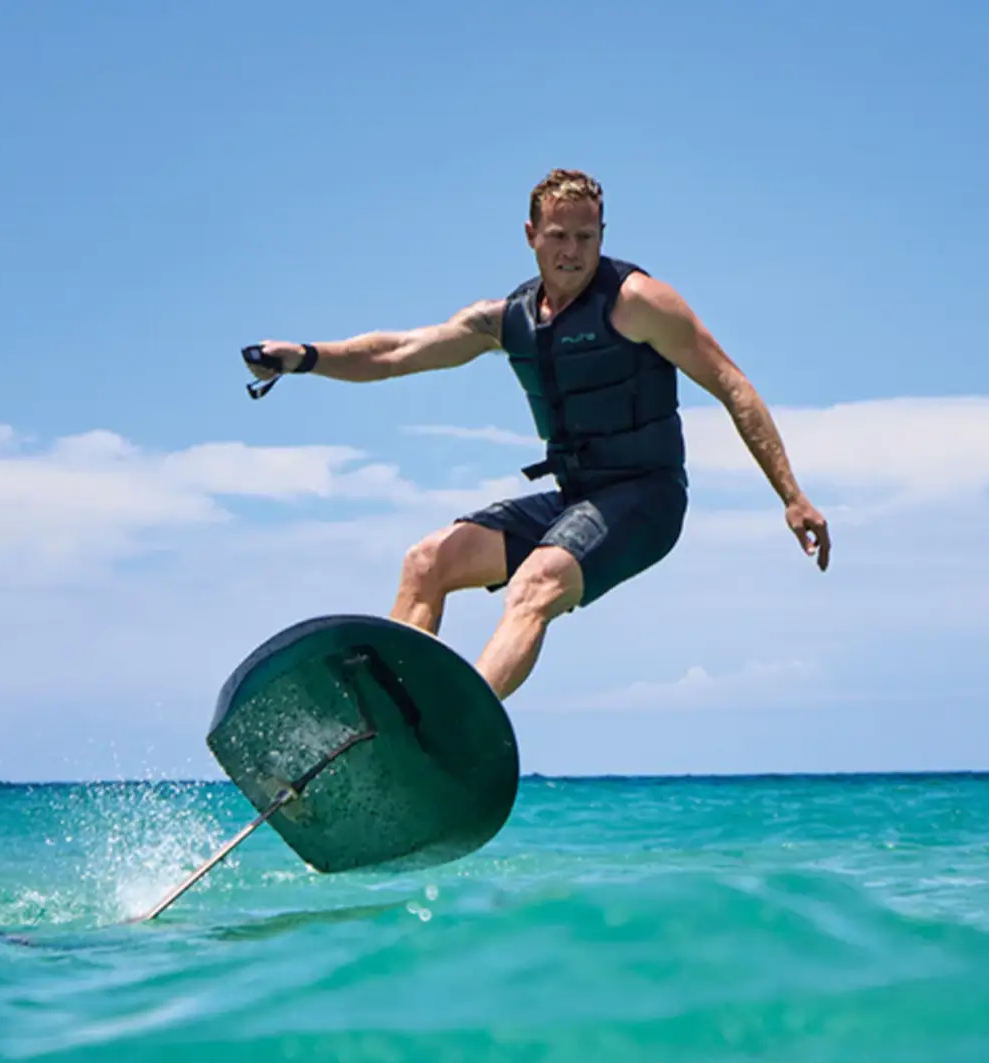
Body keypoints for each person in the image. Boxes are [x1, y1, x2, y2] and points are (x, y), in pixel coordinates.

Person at [243, 168, 829, 701]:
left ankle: (457, 721)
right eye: (558, 236)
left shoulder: (638, 303)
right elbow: (396, 352)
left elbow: (732, 383)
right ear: (530, 235)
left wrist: (791, 495)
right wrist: (306, 357)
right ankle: (390, 719)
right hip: (575, 498)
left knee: (537, 584)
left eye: (587, 237)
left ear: (603, 234)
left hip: (646, 500)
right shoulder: (507, 319)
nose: (573, 253)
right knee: (427, 562)